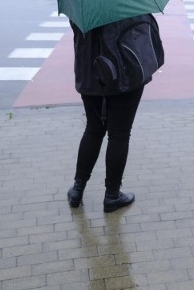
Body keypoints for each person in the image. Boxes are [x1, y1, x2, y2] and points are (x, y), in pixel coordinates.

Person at [66, 17, 154, 213]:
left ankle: (77, 189)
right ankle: (112, 195)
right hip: (123, 73)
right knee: (119, 134)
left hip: (88, 74)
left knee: (94, 128)